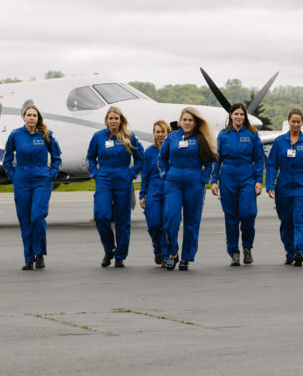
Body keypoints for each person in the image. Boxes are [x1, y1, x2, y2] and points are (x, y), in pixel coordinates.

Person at [4, 104, 62, 270]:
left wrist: (53, 173)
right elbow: (7, 159)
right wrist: (12, 176)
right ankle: (28, 259)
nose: (31, 118)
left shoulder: (46, 134)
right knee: (25, 220)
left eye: (34, 115)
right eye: (28, 115)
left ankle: (39, 254)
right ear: (24, 117)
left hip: (42, 180)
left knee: (37, 216)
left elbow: (57, 157)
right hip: (22, 180)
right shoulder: (15, 135)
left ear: (38, 118)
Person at [158, 107, 217, 270]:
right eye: (184, 119)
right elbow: (162, 158)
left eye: (190, 120)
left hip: (194, 183)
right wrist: (164, 173)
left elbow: (210, 162)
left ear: (195, 122)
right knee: (171, 218)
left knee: (192, 221)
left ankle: (187, 257)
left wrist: (203, 179)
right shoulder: (172, 137)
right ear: (180, 121)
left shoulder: (200, 138)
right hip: (174, 182)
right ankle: (172, 253)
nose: (187, 122)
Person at [87, 106, 145, 268]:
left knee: (122, 219)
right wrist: (95, 173)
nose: (113, 121)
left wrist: (132, 174)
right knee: (101, 215)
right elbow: (91, 157)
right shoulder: (98, 137)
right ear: (107, 120)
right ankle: (108, 249)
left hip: (123, 179)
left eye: (116, 118)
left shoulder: (129, 137)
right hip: (104, 178)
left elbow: (140, 159)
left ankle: (120, 255)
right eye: (111, 118)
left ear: (121, 121)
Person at [211, 103, 265, 266]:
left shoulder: (252, 135)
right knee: (231, 217)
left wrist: (258, 180)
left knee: (247, 214)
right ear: (231, 116)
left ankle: (247, 247)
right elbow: (218, 159)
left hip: (246, 175)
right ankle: (233, 251)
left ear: (245, 117)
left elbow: (259, 159)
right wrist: (214, 180)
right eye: (236, 114)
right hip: (227, 176)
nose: (239, 117)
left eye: (242, 114)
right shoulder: (223, 135)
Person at [265, 108, 303, 266]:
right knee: (286, 221)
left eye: (299, 122)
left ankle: (299, 251)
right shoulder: (279, 142)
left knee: (299, 219)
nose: (296, 124)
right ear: (288, 122)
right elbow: (272, 165)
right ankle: (290, 252)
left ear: (302, 123)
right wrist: (270, 184)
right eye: (293, 121)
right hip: (283, 187)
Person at [139, 120, 169, 265]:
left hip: (169, 190)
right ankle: (157, 248)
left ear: (167, 133)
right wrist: (142, 194)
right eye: (158, 132)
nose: (160, 134)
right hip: (153, 191)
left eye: (163, 131)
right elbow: (145, 175)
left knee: (166, 224)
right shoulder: (149, 152)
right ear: (154, 133)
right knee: (154, 224)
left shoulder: (172, 150)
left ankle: (164, 254)